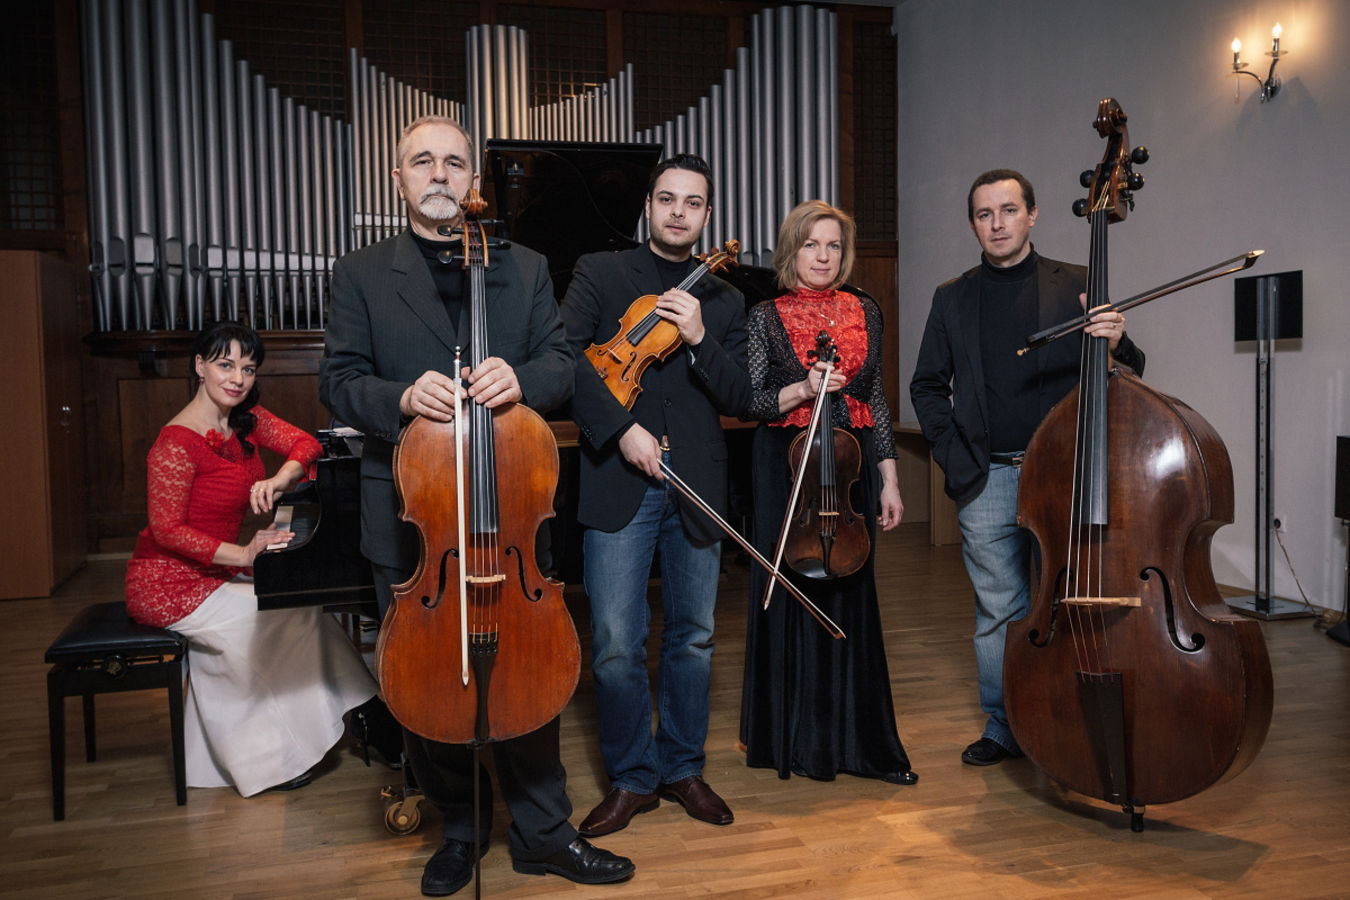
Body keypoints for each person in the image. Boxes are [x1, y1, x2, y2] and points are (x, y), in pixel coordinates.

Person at [319, 115, 633, 897]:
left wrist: (523, 379)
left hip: (511, 510)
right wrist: (400, 398)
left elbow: (562, 361)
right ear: (398, 179)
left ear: (473, 181)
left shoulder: (523, 267)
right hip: (412, 521)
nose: (439, 173)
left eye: (454, 162)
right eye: (422, 160)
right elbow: (339, 381)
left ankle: (544, 834)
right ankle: (458, 830)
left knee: (528, 671)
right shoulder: (361, 272)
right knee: (428, 683)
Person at [909, 169, 1144, 766]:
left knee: (1067, 602)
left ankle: (1069, 715)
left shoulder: (1078, 283)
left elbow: (1130, 373)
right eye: (984, 214)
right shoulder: (952, 296)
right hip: (985, 477)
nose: (997, 223)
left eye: (1008, 210)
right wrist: (954, 455)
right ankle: (1006, 722)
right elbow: (927, 386)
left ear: (1032, 215)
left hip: (1064, 476)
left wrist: (1117, 342)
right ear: (973, 225)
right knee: (998, 611)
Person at [560, 153, 750, 838]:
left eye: (692, 203)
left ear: (707, 215)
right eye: (667, 199)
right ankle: (632, 778)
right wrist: (621, 430)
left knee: (693, 637)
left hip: (697, 481)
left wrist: (698, 338)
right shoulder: (601, 272)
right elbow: (566, 360)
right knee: (616, 641)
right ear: (648, 206)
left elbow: (740, 396)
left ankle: (682, 768)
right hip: (621, 479)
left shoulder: (725, 300)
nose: (678, 212)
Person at [124, 321, 380, 797]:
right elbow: (166, 530)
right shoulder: (175, 443)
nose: (237, 378)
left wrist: (280, 479)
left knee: (298, 607)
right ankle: (285, 752)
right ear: (199, 366)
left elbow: (306, 444)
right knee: (289, 614)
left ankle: (359, 713)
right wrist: (244, 552)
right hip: (166, 584)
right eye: (225, 365)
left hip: (214, 571)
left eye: (247, 368)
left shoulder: (245, 419)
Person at [739, 199, 917, 786]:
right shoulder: (765, 316)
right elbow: (751, 401)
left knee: (851, 587)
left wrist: (890, 478)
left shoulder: (865, 309)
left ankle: (861, 745)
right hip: (786, 467)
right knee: (793, 590)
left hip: (850, 465)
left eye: (834, 246)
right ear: (792, 251)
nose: (823, 256)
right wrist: (802, 387)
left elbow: (877, 398)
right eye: (811, 245)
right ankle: (794, 741)